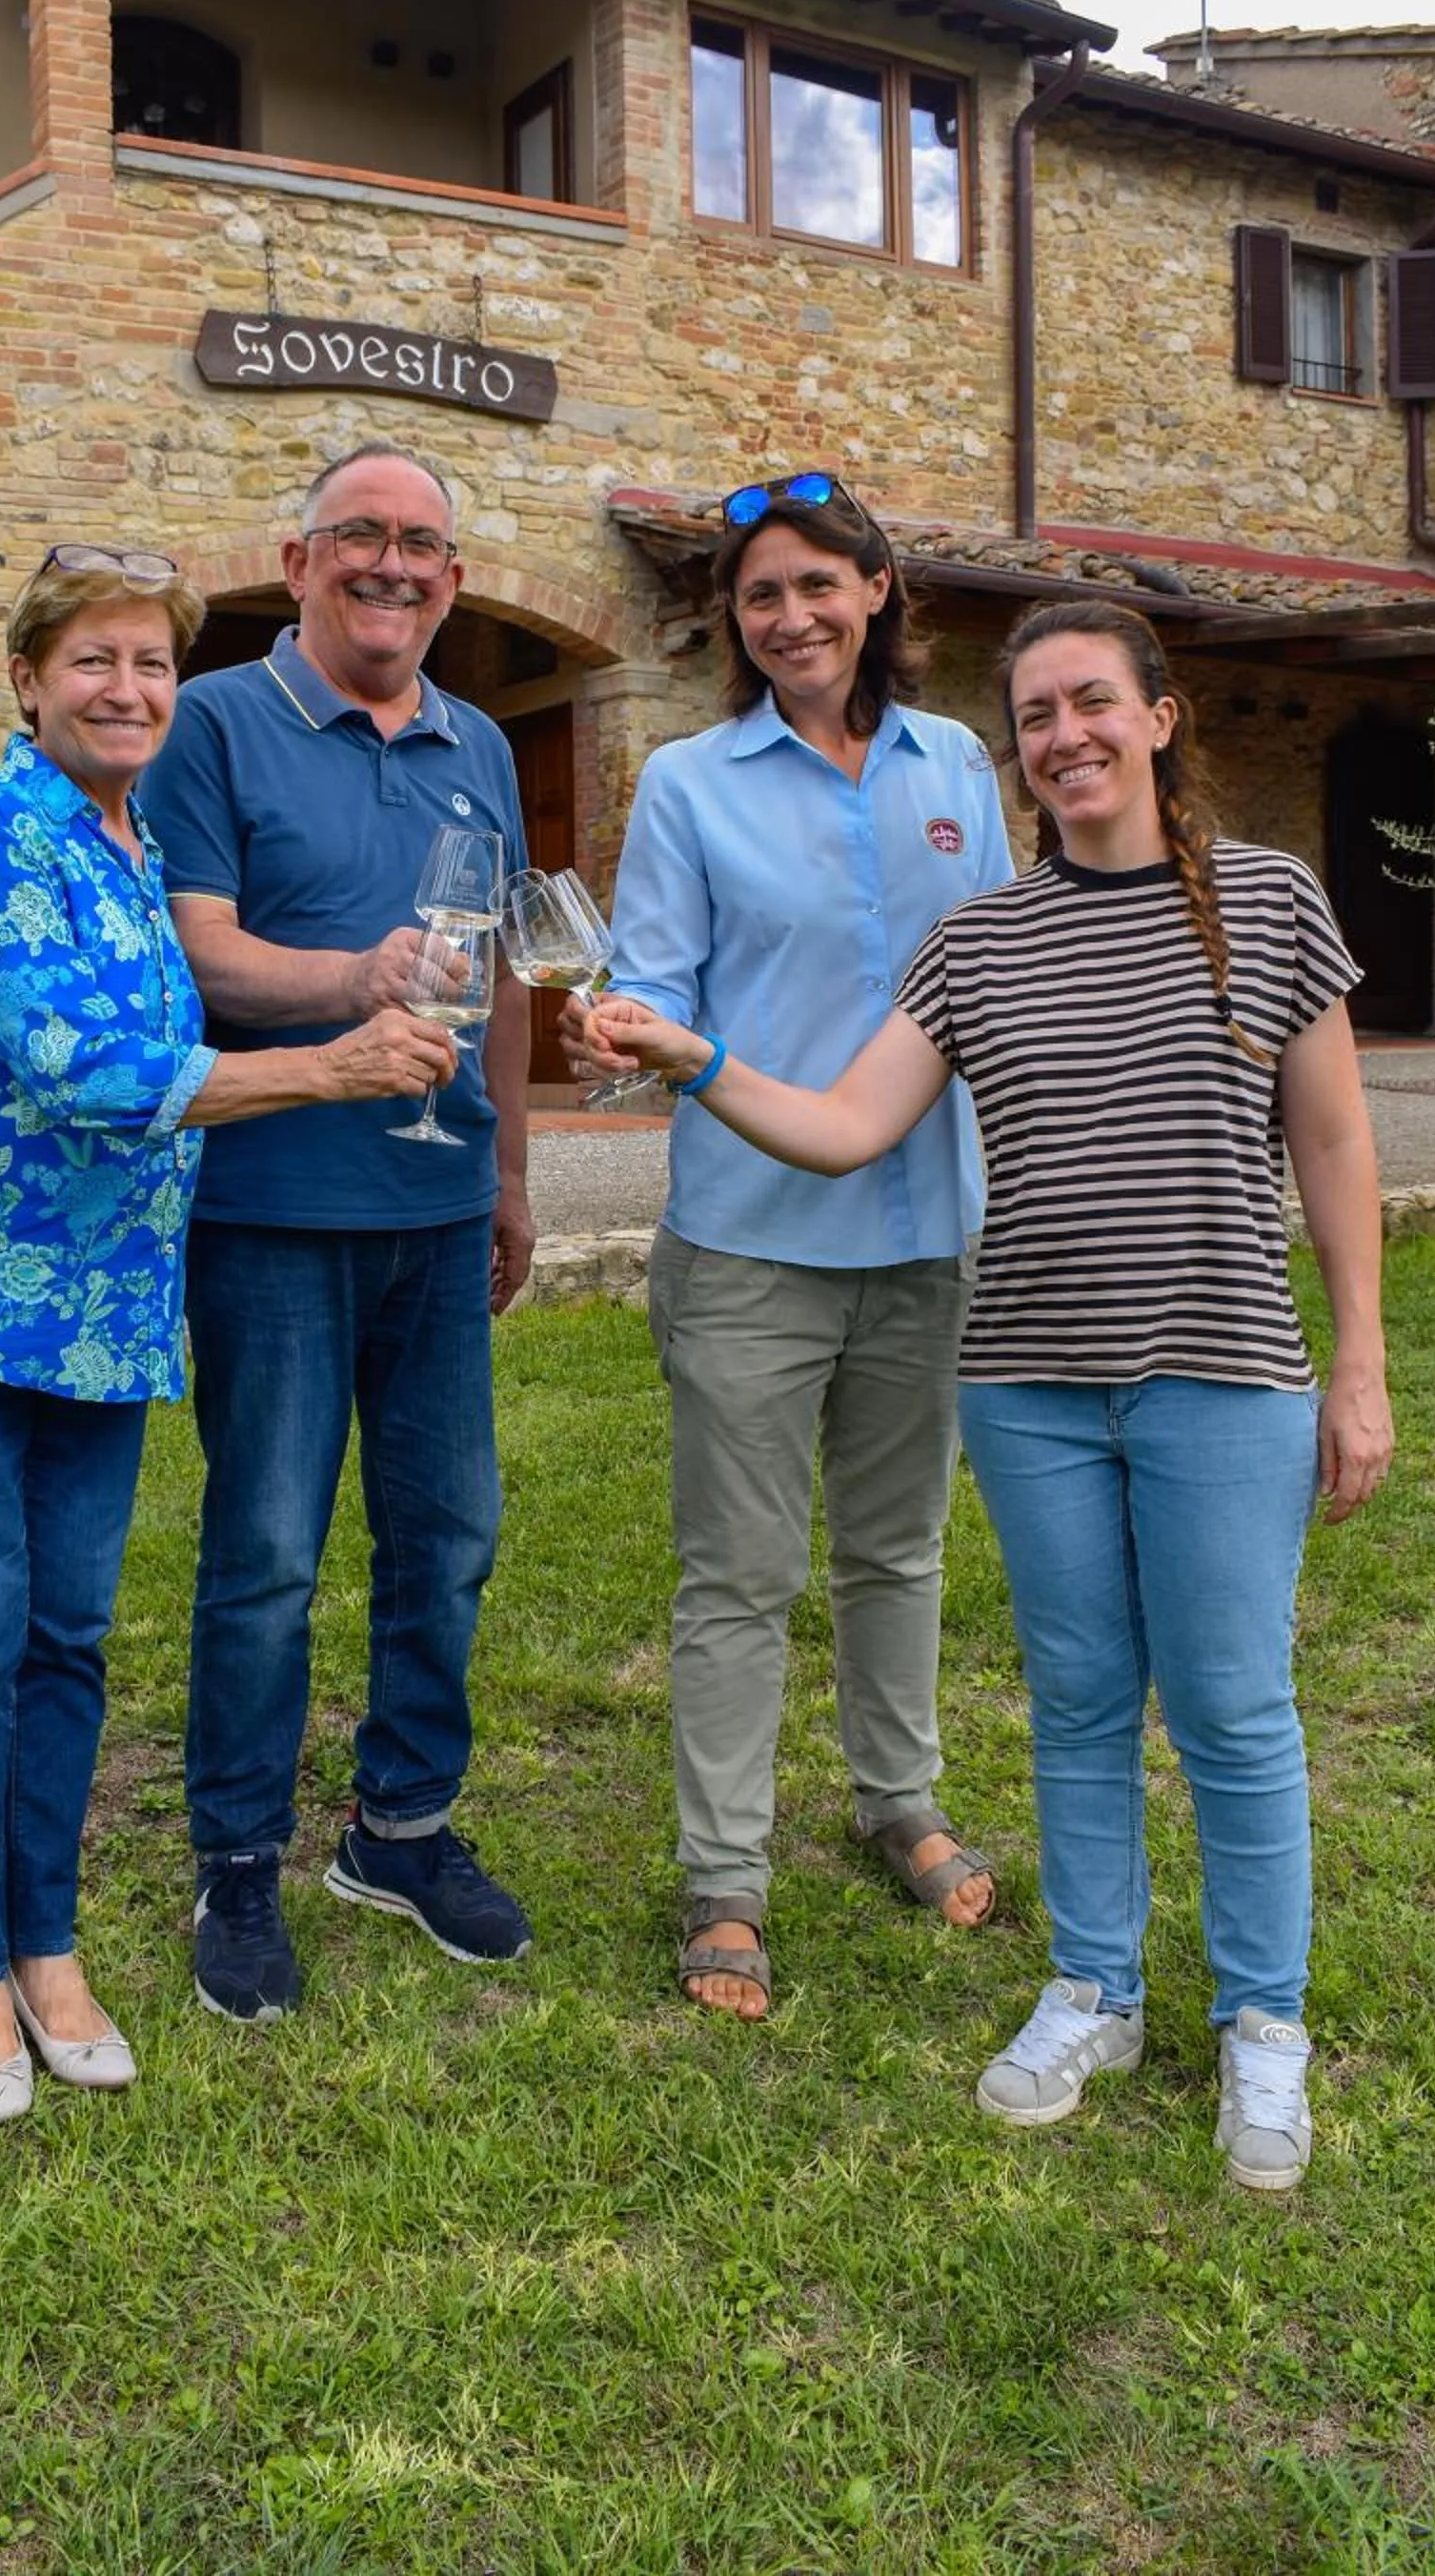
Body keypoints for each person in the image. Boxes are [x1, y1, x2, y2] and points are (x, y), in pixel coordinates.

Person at [590, 598, 1392, 2188]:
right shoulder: (981, 940)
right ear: (1011, 750)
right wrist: (691, 1058)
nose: (1066, 736)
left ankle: (1263, 2026)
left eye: (1094, 702)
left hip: (1221, 1374)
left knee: (1233, 1709)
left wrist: (1356, 1360)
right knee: (1082, 1702)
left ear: (1161, 719)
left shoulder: (1270, 898)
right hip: (1027, 1387)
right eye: (1035, 716)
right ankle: (1093, 1986)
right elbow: (839, 1126)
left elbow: (1339, 1142)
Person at [0, 545, 454, 2121]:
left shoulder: (126, 846)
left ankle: (45, 1945)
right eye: (95, 662)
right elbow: (82, 1069)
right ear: (29, 681)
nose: (128, 690)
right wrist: (331, 1067)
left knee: (68, 1640)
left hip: (101, 1315)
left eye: (153, 666)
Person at [576, 471, 1012, 2023]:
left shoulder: (961, 760)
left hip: (928, 1238)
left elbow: (1006, 982)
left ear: (878, 591)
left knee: (901, 1548)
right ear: (734, 623)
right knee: (739, 1574)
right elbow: (654, 989)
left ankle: (898, 1797)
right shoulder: (693, 783)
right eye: (762, 596)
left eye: (819, 585)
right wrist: (621, 1026)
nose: (792, 617)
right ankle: (726, 1876)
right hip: (753, 1242)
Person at [140, 441, 536, 2021]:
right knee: (266, 1559)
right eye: (361, 537)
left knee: (447, 1539)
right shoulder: (216, 723)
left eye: (424, 543)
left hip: (438, 1219)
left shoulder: (482, 743)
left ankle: (402, 1828)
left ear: (451, 576)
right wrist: (358, 979)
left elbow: (494, 964)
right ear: (299, 563)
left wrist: (507, 1177)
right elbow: (203, 956)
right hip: (272, 1210)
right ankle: (237, 1862)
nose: (394, 565)